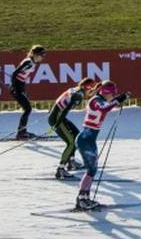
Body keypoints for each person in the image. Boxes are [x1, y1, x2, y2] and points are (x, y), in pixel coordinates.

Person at [74, 80, 129, 211]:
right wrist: (118, 100)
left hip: (89, 140)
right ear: (105, 92)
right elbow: (104, 108)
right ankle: (81, 199)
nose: (112, 96)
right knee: (91, 170)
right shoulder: (95, 100)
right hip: (85, 140)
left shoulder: (101, 99)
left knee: (92, 170)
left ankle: (85, 197)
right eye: (112, 94)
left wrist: (119, 100)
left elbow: (107, 105)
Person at [48, 76, 97, 179]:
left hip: (58, 116)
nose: (93, 92)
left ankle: (71, 162)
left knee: (76, 136)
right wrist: (57, 124)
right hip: (58, 118)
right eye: (92, 89)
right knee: (71, 143)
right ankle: (60, 169)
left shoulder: (77, 90)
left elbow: (61, 104)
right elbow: (65, 110)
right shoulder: (78, 95)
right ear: (86, 87)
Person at [10, 45, 47, 140]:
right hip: (17, 87)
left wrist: (21, 89)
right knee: (28, 109)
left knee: (27, 109)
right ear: (36, 54)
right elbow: (14, 74)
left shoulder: (31, 62)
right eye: (42, 55)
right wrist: (16, 89)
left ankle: (22, 131)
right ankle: (21, 132)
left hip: (20, 86)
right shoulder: (28, 62)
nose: (43, 57)